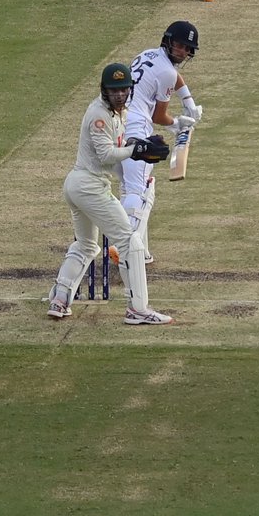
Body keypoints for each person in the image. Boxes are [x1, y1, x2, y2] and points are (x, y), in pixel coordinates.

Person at [47, 62, 174, 326]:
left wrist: (140, 148)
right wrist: (136, 151)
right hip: (88, 186)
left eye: (123, 89)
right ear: (104, 90)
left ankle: (60, 299)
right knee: (130, 242)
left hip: (83, 185)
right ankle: (138, 309)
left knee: (87, 245)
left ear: (130, 90)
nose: (119, 95)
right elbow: (106, 154)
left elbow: (116, 155)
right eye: (113, 90)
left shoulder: (120, 114)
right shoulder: (99, 114)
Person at [121, 20, 203, 263]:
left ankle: (140, 252)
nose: (183, 52)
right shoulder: (167, 71)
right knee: (141, 191)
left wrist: (188, 101)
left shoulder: (147, 54)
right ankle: (128, 252)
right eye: (180, 46)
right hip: (137, 128)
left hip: (117, 123)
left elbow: (174, 77)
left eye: (188, 49)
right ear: (167, 41)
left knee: (129, 187)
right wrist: (179, 125)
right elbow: (159, 116)